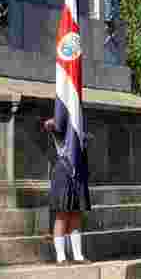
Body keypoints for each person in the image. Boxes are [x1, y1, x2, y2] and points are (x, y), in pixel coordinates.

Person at [42, 105, 92, 265]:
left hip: (78, 173)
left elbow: (86, 140)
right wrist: (55, 123)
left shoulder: (79, 128)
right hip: (63, 173)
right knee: (62, 214)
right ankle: (61, 256)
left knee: (76, 214)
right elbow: (49, 125)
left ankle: (77, 255)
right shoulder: (60, 128)